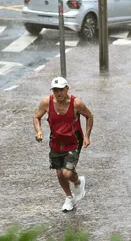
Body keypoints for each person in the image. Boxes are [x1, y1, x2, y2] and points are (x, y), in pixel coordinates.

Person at [33, 77, 94, 212]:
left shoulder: (76, 103)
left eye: (61, 90)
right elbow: (37, 117)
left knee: (67, 173)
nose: (58, 93)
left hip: (73, 141)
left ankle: (78, 182)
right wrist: (39, 131)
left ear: (67, 89)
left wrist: (87, 136)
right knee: (60, 173)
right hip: (56, 141)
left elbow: (89, 116)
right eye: (55, 90)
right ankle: (68, 197)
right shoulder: (46, 103)